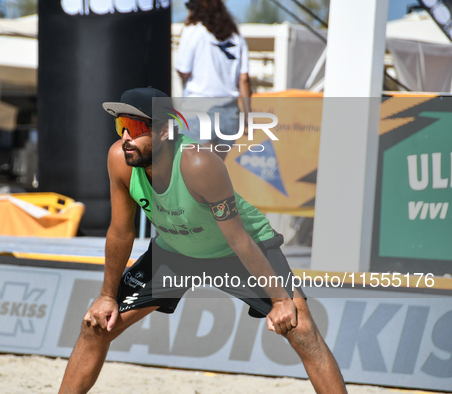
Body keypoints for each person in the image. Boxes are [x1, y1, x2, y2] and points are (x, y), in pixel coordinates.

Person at [58, 87, 347, 394]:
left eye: (138, 127)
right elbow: (121, 231)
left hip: (236, 251)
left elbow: (238, 239)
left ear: (166, 130)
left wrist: (279, 300)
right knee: (97, 325)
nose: (126, 137)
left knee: (302, 329)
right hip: (176, 253)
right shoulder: (120, 160)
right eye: (121, 127)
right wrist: (106, 294)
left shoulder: (199, 165)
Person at [175, 0, 252, 157]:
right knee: (214, 173)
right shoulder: (236, 36)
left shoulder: (193, 30)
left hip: (199, 111)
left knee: (192, 172)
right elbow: (243, 80)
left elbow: (183, 70)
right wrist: (248, 117)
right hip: (229, 115)